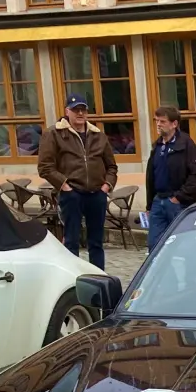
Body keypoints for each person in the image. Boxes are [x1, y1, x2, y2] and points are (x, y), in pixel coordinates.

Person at [38, 93, 118, 269]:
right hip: (72, 194)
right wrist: (65, 186)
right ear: (67, 111)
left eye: (83, 110)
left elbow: (112, 167)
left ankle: (99, 277)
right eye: (76, 110)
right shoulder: (54, 134)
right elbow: (45, 167)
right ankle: (72, 279)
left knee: (96, 242)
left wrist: (106, 187)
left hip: (96, 194)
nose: (80, 114)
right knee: (71, 241)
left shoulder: (98, 135)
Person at [144, 106, 196, 250]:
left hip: (178, 203)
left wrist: (179, 197)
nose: (158, 124)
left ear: (174, 124)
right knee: (154, 246)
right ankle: (163, 273)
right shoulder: (157, 146)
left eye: (162, 121)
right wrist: (149, 205)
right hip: (158, 202)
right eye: (156, 121)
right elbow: (151, 176)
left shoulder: (186, 144)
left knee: (184, 245)